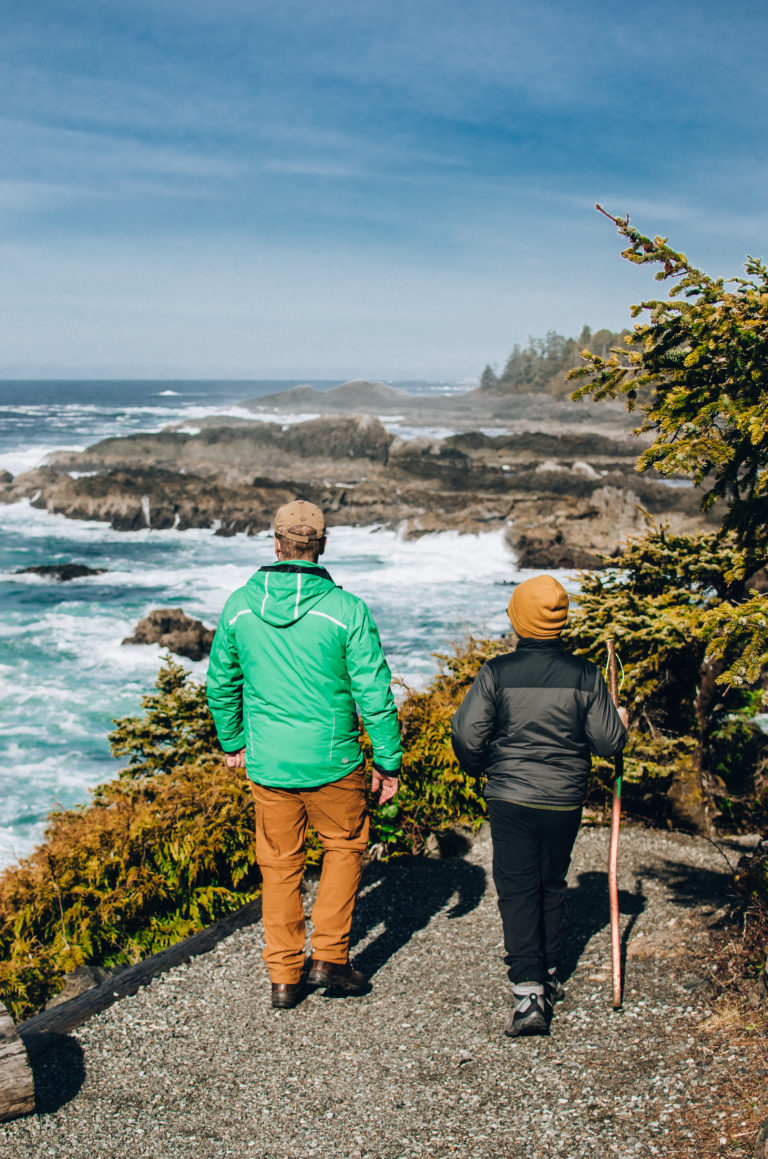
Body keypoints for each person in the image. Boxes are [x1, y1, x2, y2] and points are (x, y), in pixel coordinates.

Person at [206, 499, 402, 1009]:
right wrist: (388, 762)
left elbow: (220, 685)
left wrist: (233, 742)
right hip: (334, 763)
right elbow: (374, 694)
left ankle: (285, 977)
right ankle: (331, 960)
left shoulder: (239, 607)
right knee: (343, 848)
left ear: (275, 545)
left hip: (269, 764)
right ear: (321, 546)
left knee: (278, 865)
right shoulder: (347, 611)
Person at [451, 574, 627, 1037]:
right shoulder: (586, 674)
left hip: (509, 795)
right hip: (564, 797)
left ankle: (528, 993)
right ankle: (547, 975)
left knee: (516, 887)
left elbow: (466, 735)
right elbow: (609, 744)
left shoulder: (497, 672)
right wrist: (619, 720)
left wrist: (483, 769)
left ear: (517, 618)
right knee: (551, 881)